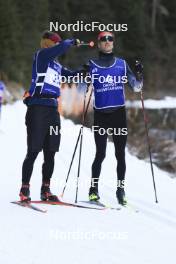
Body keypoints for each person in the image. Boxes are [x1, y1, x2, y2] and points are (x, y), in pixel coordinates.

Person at [20, 31, 79, 202]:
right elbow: (62, 47)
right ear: (47, 43)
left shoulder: (57, 65)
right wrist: (69, 42)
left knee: (51, 151)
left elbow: (72, 75)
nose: (57, 44)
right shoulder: (42, 56)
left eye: (58, 42)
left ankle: (45, 189)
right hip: (38, 108)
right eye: (55, 42)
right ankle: (25, 188)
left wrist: (86, 69)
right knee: (33, 150)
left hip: (53, 111)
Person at [85, 31, 143, 205]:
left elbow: (137, 88)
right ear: (99, 43)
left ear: (113, 43)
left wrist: (140, 74)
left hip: (118, 114)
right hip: (101, 115)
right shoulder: (92, 64)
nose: (107, 41)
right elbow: (81, 82)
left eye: (110, 39)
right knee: (100, 154)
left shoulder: (122, 64)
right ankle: (93, 190)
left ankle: (120, 190)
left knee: (120, 155)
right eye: (104, 39)